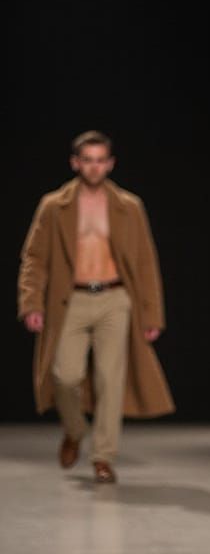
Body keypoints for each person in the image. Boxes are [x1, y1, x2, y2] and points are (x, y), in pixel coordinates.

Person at [17, 131, 174, 483]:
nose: (94, 167)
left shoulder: (129, 206)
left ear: (111, 164)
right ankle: (75, 430)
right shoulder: (53, 206)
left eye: (100, 160)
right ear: (75, 163)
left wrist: (151, 314)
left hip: (115, 299)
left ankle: (103, 457)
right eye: (87, 160)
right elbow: (34, 258)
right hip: (69, 300)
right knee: (64, 376)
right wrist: (31, 303)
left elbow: (146, 262)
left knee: (110, 380)